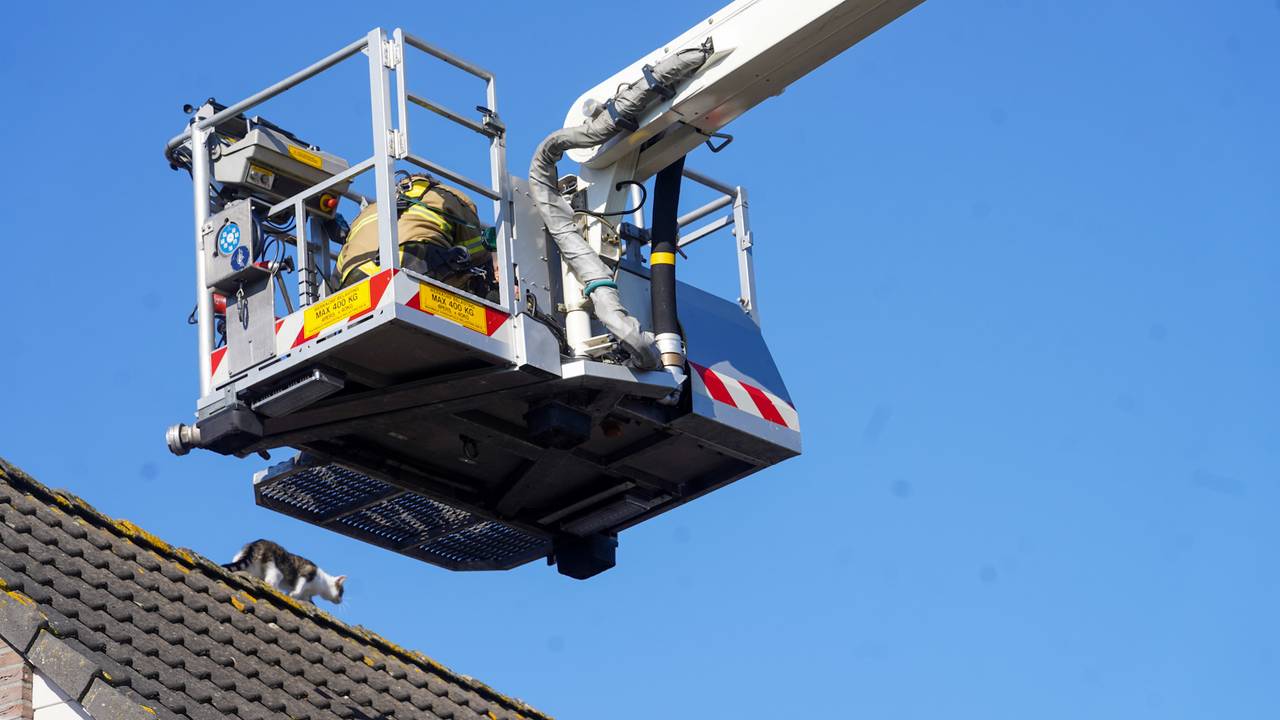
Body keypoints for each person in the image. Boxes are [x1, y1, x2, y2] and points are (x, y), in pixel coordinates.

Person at [335, 173, 493, 295]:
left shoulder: (369, 211)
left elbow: (337, 276)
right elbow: (478, 253)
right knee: (475, 274)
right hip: (415, 264)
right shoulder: (448, 196)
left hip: (355, 284)